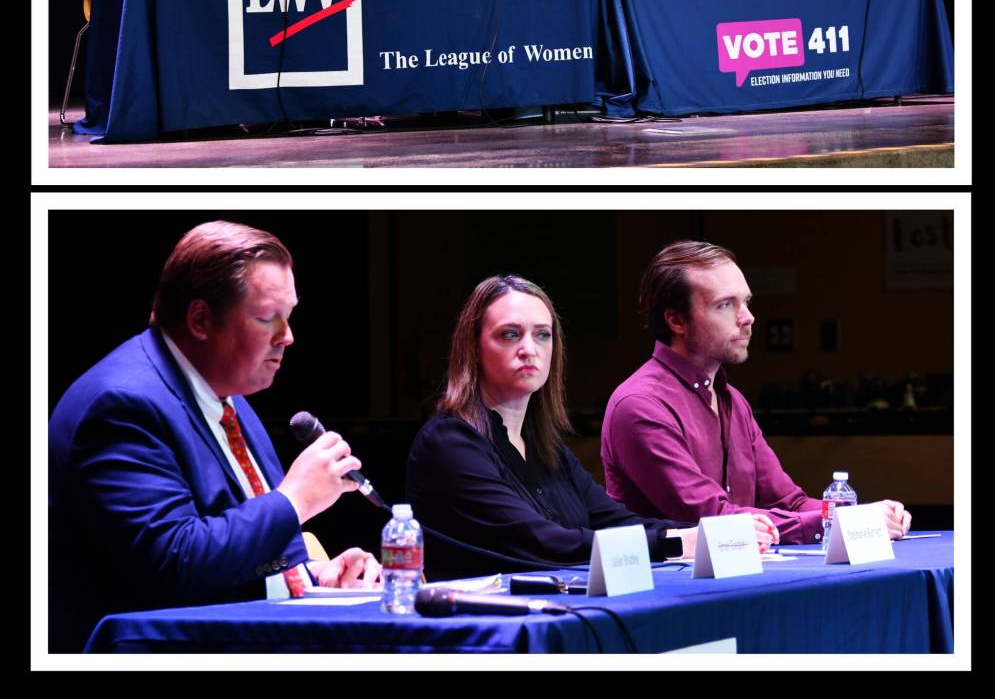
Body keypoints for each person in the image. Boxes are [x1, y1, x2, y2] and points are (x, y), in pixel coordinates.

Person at [48, 221, 380, 652]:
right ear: (201, 319)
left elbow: (241, 554)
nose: (288, 336)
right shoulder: (121, 405)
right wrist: (294, 500)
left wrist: (317, 578)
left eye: (289, 315)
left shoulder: (225, 395)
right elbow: (175, 565)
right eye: (267, 319)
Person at [406, 274, 778, 581]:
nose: (528, 348)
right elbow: (543, 542)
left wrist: (707, 535)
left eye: (542, 334)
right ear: (473, 348)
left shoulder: (547, 449)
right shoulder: (449, 443)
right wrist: (680, 544)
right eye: (509, 334)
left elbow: (617, 521)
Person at [601, 241, 913, 545]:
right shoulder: (640, 406)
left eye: (746, 302)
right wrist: (842, 523)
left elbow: (789, 502)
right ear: (676, 320)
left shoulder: (733, 400)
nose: (747, 317)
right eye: (725, 305)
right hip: (669, 591)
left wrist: (863, 518)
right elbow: (713, 519)